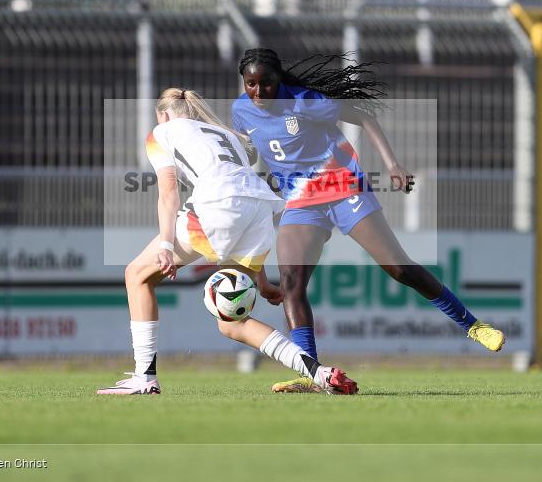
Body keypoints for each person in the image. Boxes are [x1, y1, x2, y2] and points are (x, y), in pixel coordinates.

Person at [232, 48, 505, 393]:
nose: (259, 93)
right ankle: (312, 374)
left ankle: (473, 324)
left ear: (279, 79)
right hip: (302, 200)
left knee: (399, 268)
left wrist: (392, 165)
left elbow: (363, 117)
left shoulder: (304, 101)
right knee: (290, 283)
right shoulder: (240, 110)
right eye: (251, 84)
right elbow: (254, 146)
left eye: (267, 84)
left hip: (342, 187)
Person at [98, 88, 358, 395]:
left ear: (164, 115)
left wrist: (167, 246)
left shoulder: (162, 131)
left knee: (137, 274)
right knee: (231, 321)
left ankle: (145, 378)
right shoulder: (222, 133)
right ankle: (320, 373)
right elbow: (240, 203)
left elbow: (168, 193)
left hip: (219, 204)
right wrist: (261, 283)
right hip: (258, 206)